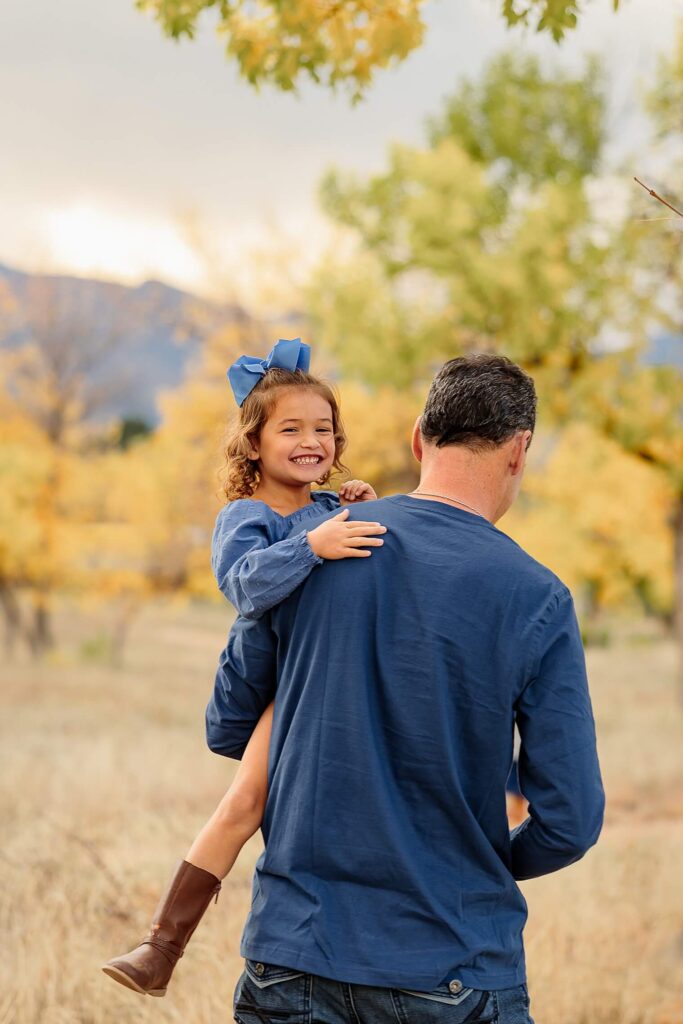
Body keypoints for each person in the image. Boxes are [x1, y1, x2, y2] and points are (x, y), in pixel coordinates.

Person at [206, 353, 605, 1024]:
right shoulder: (536, 597)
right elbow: (569, 821)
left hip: (296, 957)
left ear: (419, 437)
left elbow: (229, 727)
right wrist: (480, 862)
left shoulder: (317, 548)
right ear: (519, 450)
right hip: (452, 963)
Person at [102, 338, 385, 997]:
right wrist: (312, 546)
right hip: (275, 686)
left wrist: (365, 509)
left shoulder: (327, 510)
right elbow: (246, 586)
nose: (312, 440)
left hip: (332, 680)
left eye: (324, 429)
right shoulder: (245, 517)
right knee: (245, 803)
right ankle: (160, 947)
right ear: (253, 444)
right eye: (291, 428)